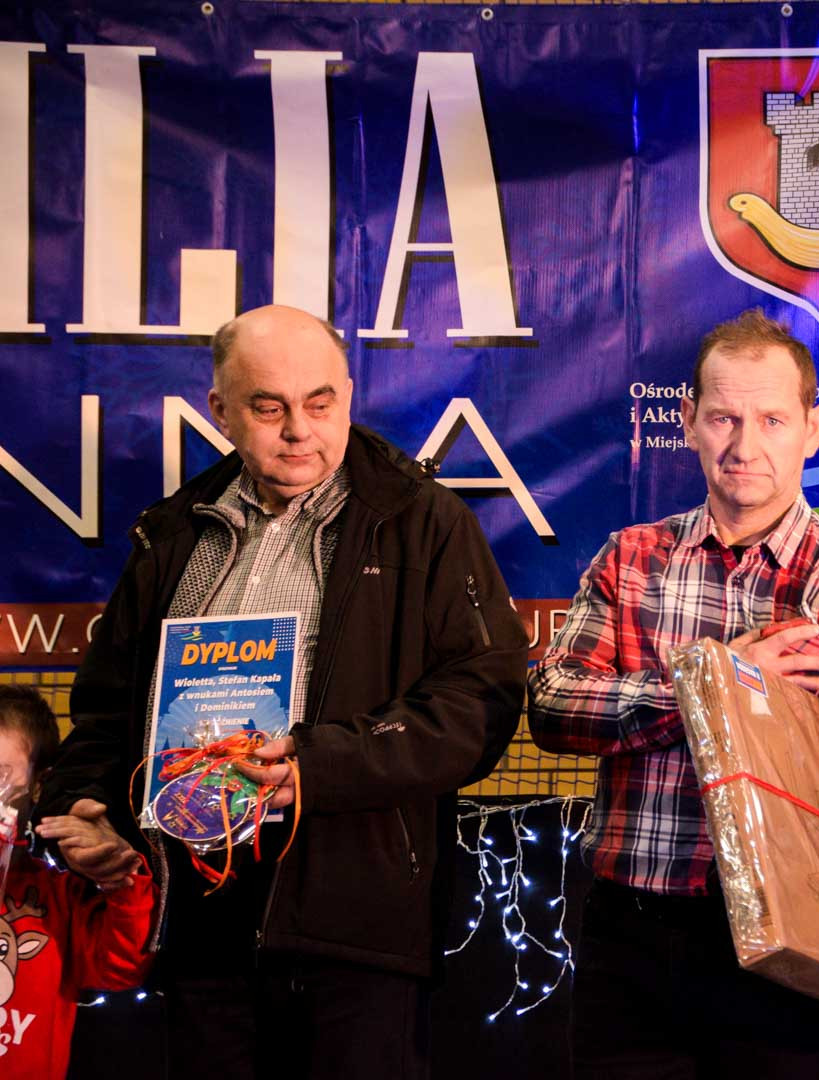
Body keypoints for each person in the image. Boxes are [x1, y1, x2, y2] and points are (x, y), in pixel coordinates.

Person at [34, 305, 527, 1080]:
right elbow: (107, 709)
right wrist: (92, 806)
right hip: (200, 926)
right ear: (220, 410)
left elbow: (481, 701)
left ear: (349, 396)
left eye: (320, 403)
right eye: (269, 408)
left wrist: (317, 767)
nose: (299, 430)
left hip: (356, 930)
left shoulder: (423, 523)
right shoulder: (172, 533)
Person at [529, 308, 819, 1078]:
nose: (745, 446)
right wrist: (716, 682)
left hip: (801, 944)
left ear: (813, 428)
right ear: (688, 422)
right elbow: (554, 707)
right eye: (724, 418)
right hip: (630, 939)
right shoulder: (632, 559)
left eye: (771, 420)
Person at [0, 685, 153, 1079]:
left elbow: (119, 968)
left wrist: (120, 881)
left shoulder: (58, 891)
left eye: (0, 775)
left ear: (38, 784)